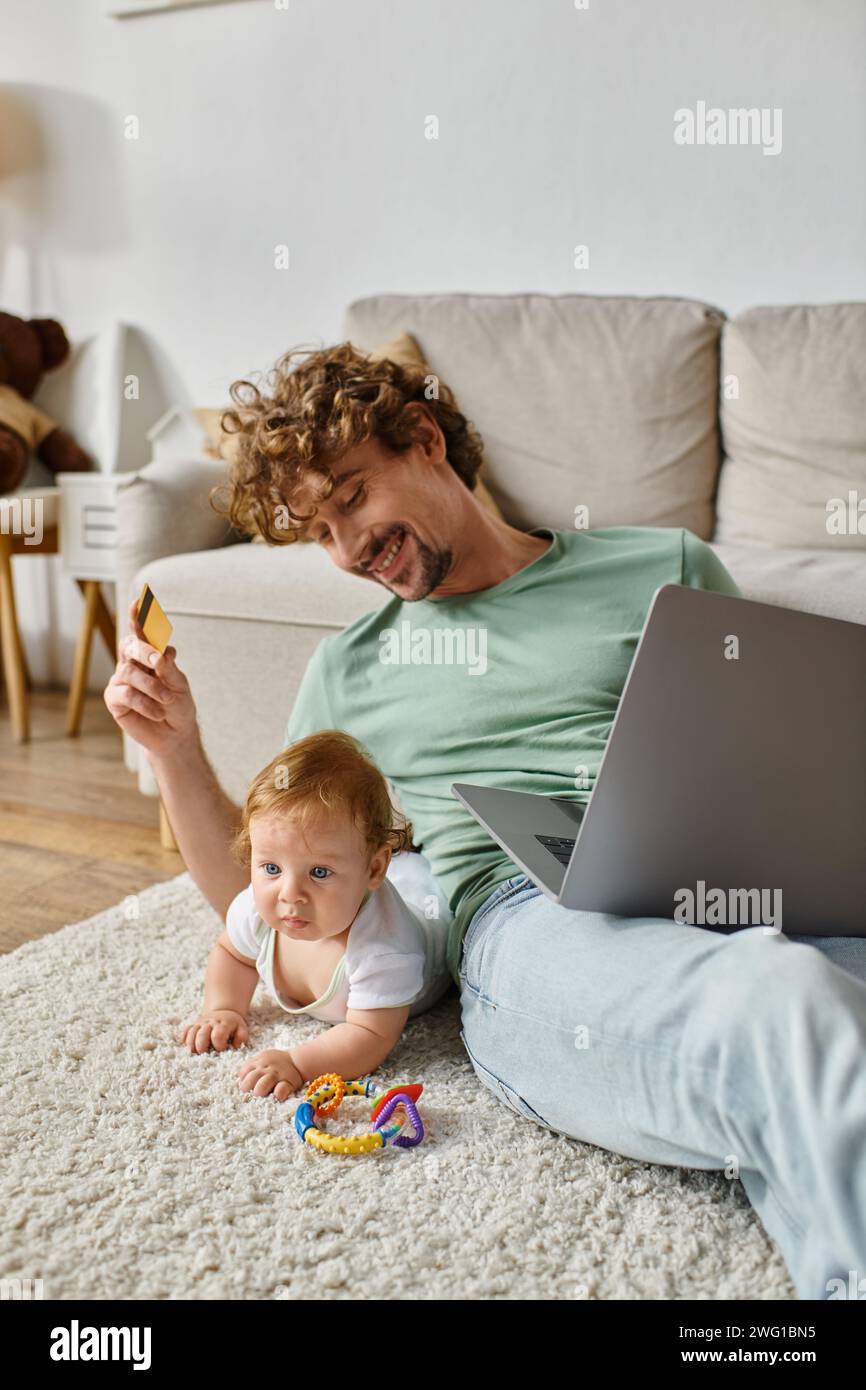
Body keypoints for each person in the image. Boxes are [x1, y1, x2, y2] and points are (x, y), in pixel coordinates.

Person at [105, 342, 866, 1300]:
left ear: (425, 438)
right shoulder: (349, 671)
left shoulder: (663, 565)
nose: (345, 548)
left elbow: (770, 749)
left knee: (804, 1024)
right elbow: (278, 902)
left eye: (352, 498)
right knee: (778, 1009)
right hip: (534, 917)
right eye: (319, 530)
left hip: (736, 876)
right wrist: (175, 750)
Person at [178, 730, 452, 1100]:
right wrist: (224, 1007)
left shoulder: (386, 949)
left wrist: (299, 1062)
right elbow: (232, 955)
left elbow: (371, 1036)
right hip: (386, 873)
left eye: (319, 872)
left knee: (430, 877)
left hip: (431, 902)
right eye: (271, 868)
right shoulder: (254, 910)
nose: (290, 893)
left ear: (374, 870)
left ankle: (428, 847)